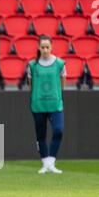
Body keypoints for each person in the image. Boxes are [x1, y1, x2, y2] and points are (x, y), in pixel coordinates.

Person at [27, 35, 66, 174]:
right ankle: (45, 163)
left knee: (58, 130)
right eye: (42, 47)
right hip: (38, 105)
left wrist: (57, 95)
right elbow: (30, 85)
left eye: (47, 47)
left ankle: (51, 161)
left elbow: (62, 82)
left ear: (52, 47)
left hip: (55, 104)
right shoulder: (32, 65)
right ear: (38, 47)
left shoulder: (60, 64)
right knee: (41, 135)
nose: (45, 50)